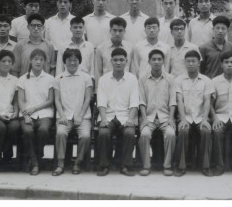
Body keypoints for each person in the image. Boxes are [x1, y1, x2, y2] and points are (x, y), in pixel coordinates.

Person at [96, 48, 139, 176]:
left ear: (126, 61)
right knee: (103, 133)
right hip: (108, 116)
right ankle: (104, 165)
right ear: (111, 61)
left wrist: (131, 119)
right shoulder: (103, 79)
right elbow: (101, 102)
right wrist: (103, 119)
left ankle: (125, 166)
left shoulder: (132, 79)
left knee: (130, 133)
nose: (118, 62)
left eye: (121, 60)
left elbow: (134, 102)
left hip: (125, 116)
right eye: (115, 60)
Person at [52, 48, 93, 176]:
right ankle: (60, 164)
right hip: (64, 116)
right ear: (65, 61)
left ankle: (77, 163)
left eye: (75, 60)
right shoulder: (59, 78)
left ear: (79, 61)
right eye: (69, 60)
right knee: (60, 133)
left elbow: (88, 99)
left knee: (85, 136)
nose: (72, 63)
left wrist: (80, 116)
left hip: (83, 116)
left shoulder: (86, 78)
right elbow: (57, 100)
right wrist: (62, 116)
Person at [138, 49, 177, 176]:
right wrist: (144, 119)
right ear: (149, 61)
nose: (156, 62)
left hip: (165, 117)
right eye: (154, 59)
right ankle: (146, 166)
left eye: (159, 59)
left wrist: (171, 118)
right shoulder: (142, 79)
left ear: (163, 61)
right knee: (144, 134)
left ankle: (167, 166)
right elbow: (141, 101)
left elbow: (172, 101)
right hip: (148, 118)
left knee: (171, 134)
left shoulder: (170, 79)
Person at [174, 50, 214, 176]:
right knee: (183, 131)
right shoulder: (179, 80)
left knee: (206, 131)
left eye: (193, 61)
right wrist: (183, 119)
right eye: (188, 61)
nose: (191, 64)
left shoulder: (206, 80)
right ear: (185, 63)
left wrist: (205, 120)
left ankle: (206, 166)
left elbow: (207, 101)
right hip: (185, 116)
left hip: (201, 117)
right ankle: (181, 166)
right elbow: (179, 100)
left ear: (199, 63)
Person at [18, 49, 55, 176]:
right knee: (28, 131)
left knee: (43, 130)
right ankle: (35, 163)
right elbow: (20, 100)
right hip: (26, 114)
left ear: (44, 62)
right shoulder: (23, 79)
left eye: (41, 59)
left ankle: (35, 160)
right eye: (35, 59)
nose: (38, 62)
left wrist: (35, 108)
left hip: (45, 113)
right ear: (30, 61)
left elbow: (50, 100)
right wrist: (26, 115)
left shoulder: (50, 79)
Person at [11, 14, 55, 78]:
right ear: (28, 27)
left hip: (44, 82)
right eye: (33, 25)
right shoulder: (20, 46)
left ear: (43, 27)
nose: (36, 28)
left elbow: (52, 68)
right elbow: (15, 69)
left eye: (39, 25)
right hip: (25, 82)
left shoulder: (49, 46)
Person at [94, 17, 133, 88]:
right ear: (110, 31)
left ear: (124, 31)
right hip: (107, 86)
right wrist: (98, 90)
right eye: (114, 30)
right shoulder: (101, 48)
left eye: (120, 31)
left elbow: (132, 70)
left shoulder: (130, 48)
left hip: (126, 86)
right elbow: (98, 72)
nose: (117, 34)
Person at [45, 0, 75, 74]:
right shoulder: (49, 21)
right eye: (60, 2)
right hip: (53, 57)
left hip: (69, 55)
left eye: (65, 2)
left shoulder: (75, 21)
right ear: (56, 3)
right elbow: (47, 42)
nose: (62, 4)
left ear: (70, 4)